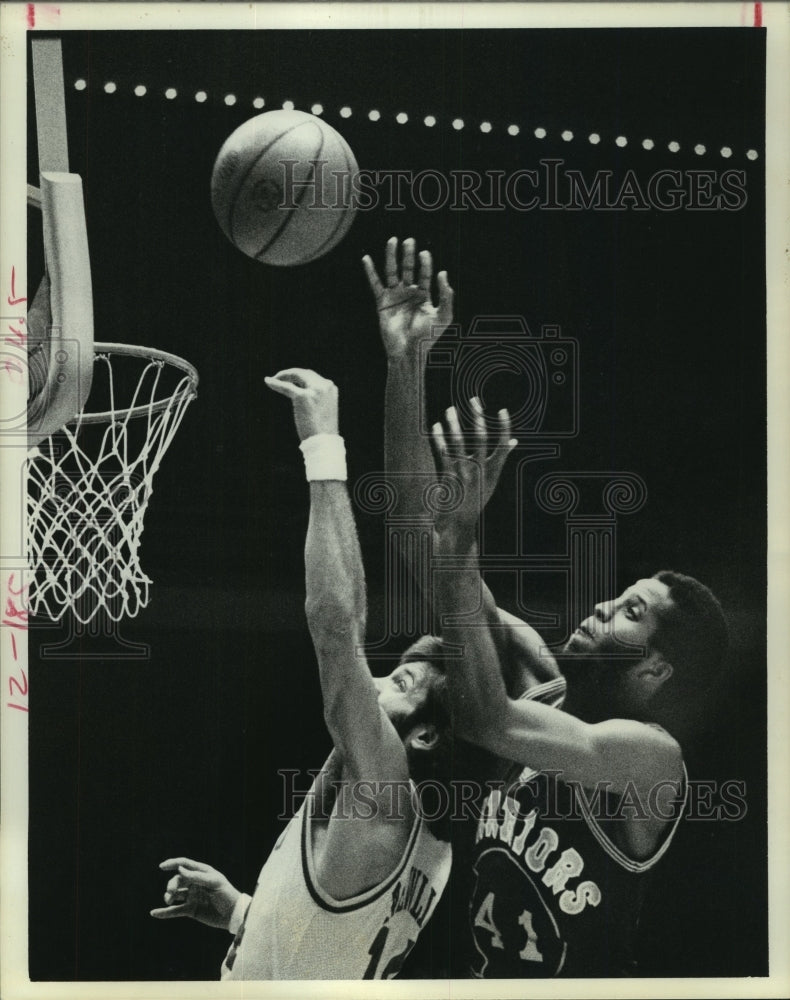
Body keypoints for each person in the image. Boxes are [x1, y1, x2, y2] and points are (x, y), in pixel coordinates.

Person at [150, 368, 452, 980]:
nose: (372, 682)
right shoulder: (428, 834)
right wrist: (242, 914)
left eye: (400, 684)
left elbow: (335, 626)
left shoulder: (387, 789)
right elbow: (332, 951)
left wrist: (322, 446)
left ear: (424, 736)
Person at [428, 398, 728, 977]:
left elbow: (488, 719)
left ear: (654, 669)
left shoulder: (652, 761)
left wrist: (460, 533)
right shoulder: (541, 683)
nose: (602, 604)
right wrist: (405, 361)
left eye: (630, 611)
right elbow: (440, 564)